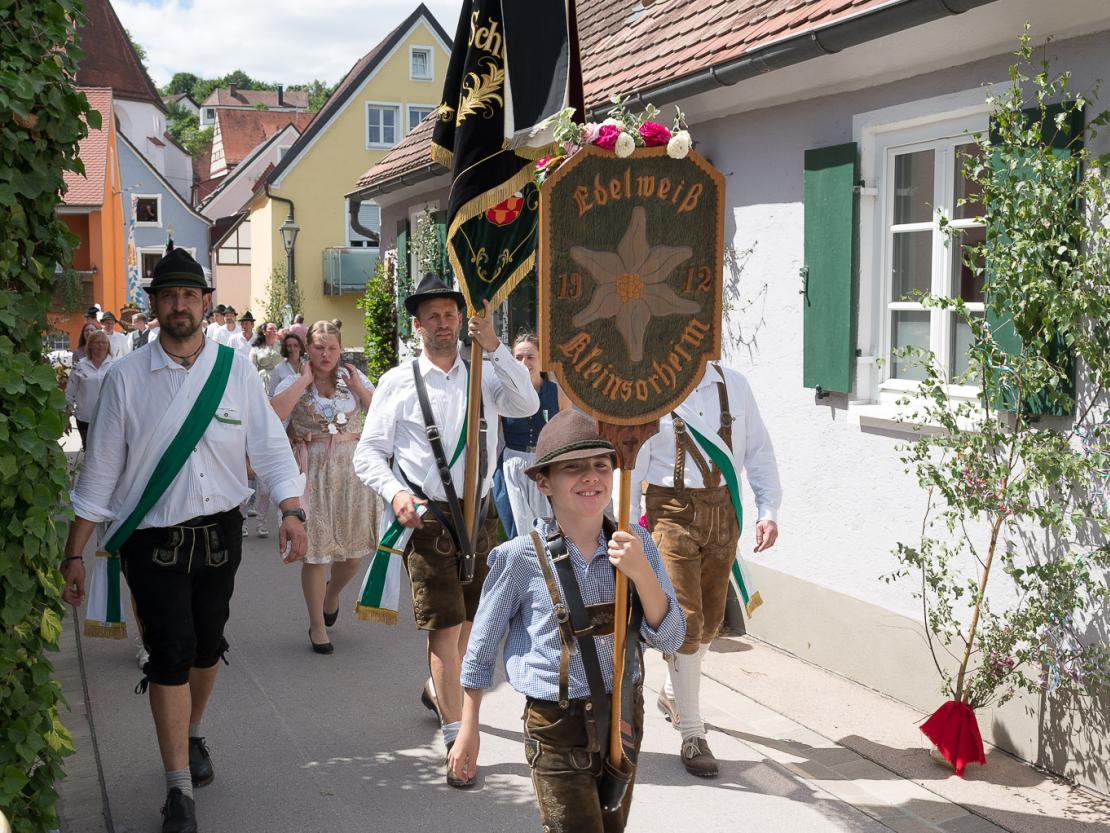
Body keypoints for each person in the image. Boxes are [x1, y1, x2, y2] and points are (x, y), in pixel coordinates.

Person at [60, 244, 308, 833]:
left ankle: (194, 731)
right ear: (155, 304)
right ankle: (178, 790)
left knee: (206, 645)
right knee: (169, 654)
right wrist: (77, 551)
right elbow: (98, 471)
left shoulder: (236, 369)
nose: (179, 304)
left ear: (204, 304)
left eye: (189, 295)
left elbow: (269, 447)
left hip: (221, 530)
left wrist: (293, 509)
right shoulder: (123, 379)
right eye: (168, 294)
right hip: (151, 536)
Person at [450, 410, 685, 830]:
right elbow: (480, 649)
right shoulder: (519, 557)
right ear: (544, 482)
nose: (590, 477)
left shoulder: (637, 543)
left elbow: (671, 637)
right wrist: (469, 728)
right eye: (572, 468)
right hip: (556, 724)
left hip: (624, 717)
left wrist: (643, 575)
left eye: (601, 465)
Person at [353, 273, 538, 788]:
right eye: (432, 316)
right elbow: (368, 454)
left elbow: (526, 403)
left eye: (450, 314)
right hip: (429, 516)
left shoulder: (485, 371)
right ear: (417, 325)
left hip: (479, 512)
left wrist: (496, 346)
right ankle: (457, 733)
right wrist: (396, 494)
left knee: (476, 624)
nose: (443, 323)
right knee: (444, 625)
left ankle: (439, 690)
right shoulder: (396, 382)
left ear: (462, 320)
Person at [630, 362, 782, 777]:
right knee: (687, 619)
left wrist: (767, 509)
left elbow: (758, 450)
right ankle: (692, 732)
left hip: (724, 513)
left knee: (713, 621)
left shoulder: (734, 384)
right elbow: (636, 461)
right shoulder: (652, 386)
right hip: (671, 512)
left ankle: (672, 690)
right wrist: (627, 530)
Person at [271, 321, 378, 653]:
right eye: (319, 347)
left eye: (332, 347)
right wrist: (304, 379)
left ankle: (331, 595)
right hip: (311, 472)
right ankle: (318, 626)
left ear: (341, 348)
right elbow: (273, 415)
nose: (326, 354)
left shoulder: (355, 379)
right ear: (307, 349)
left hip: (352, 474)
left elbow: (382, 416)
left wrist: (359, 389)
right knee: (315, 555)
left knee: (353, 555)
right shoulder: (294, 381)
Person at [492, 332, 573, 537]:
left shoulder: (557, 392)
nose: (524, 362)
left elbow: (566, 434)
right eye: (518, 357)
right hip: (512, 466)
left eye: (530, 357)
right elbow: (493, 436)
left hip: (545, 466)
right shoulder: (504, 393)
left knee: (550, 531)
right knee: (519, 532)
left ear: (541, 360)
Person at [65, 330, 113, 449]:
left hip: (109, 418)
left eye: (104, 342)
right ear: (90, 344)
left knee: (108, 452)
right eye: (97, 342)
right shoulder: (80, 366)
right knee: (89, 452)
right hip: (85, 418)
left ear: (108, 345)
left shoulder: (115, 365)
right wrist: (65, 416)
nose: (101, 345)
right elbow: (70, 392)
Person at [268, 331, 306, 398]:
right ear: (285, 348)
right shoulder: (278, 368)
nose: (292, 349)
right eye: (289, 346)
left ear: (300, 347)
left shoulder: (307, 366)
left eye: (295, 345)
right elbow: (271, 394)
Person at [249, 322, 283, 394]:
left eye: (275, 329)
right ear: (264, 332)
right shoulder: (256, 348)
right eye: (271, 329)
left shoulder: (282, 346)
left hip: (280, 381)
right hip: (262, 383)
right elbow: (252, 368)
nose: (274, 331)